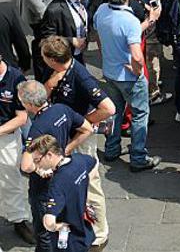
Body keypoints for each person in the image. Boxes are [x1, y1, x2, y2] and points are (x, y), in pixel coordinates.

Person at [40, 37, 115, 250]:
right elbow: (42, 99)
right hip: (62, 135)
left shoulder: (81, 76)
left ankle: (99, 233)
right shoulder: (54, 72)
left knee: (90, 184)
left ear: (52, 59)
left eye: (44, 56)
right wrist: (50, 84)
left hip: (80, 139)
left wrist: (83, 122)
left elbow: (109, 108)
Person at [17, 79, 92, 252]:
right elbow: (87, 129)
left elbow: (26, 166)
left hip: (44, 189)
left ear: (29, 104)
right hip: (66, 176)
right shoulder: (61, 109)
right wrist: (65, 151)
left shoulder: (37, 129)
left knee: (45, 233)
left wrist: (39, 169)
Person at [94, 0, 160, 172]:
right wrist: (138, 71)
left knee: (113, 112)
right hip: (129, 77)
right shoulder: (129, 20)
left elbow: (102, 36)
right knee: (140, 115)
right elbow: (137, 56)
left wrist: (147, 23)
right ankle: (138, 157)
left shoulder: (102, 10)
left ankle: (111, 149)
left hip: (110, 71)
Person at [29, 135, 96, 252]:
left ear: (49, 155)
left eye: (37, 160)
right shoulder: (79, 160)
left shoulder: (57, 184)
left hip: (69, 240)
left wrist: (57, 226)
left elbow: (49, 221)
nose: (37, 165)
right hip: (84, 229)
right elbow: (93, 162)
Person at [0, 50, 31, 245]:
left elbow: (22, 117)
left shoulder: (16, 79)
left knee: (11, 182)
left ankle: (19, 220)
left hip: (7, 140)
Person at [36, 0, 88, 77]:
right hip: (66, 57)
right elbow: (47, 37)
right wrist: (71, 40)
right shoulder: (54, 10)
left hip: (79, 53)